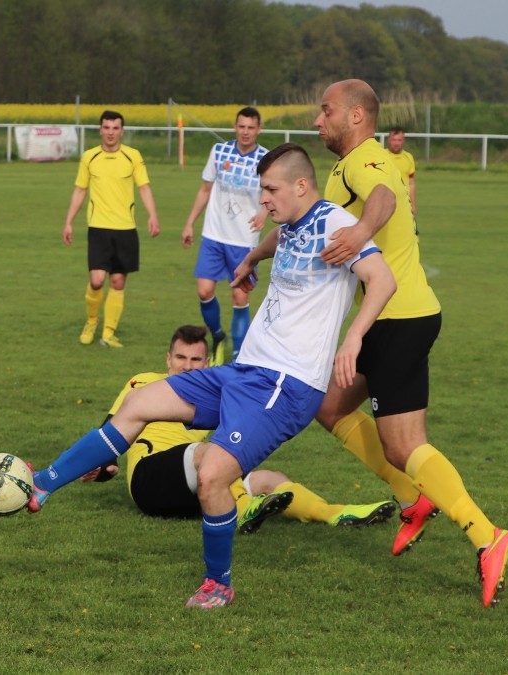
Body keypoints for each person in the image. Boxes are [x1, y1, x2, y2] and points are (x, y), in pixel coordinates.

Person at [27, 143, 397, 610]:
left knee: (213, 479)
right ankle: (43, 483)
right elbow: (276, 241)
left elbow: (383, 280)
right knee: (138, 405)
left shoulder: (337, 224)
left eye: (269, 189)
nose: (262, 200)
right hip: (243, 372)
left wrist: (354, 338)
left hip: (285, 386)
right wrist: (249, 262)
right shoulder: (290, 225)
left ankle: (217, 584)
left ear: (301, 185)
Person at [313, 78, 508, 608]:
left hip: (399, 317)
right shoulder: (342, 168)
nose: (318, 120)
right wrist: (253, 256)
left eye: (326, 110)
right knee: (329, 406)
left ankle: (487, 536)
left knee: (405, 445)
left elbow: (383, 199)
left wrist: (360, 234)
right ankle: (412, 499)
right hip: (384, 318)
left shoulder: (369, 161)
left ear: (356, 116)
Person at [80, 324, 397, 532]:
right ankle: (245, 509)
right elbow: (109, 440)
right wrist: (103, 470)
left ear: (206, 364)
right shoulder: (144, 383)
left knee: (272, 479)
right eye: (180, 358)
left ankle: (334, 513)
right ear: (167, 359)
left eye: (195, 360)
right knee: (210, 455)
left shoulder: (212, 393)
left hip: (196, 485)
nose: (186, 366)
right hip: (149, 481)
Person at [62, 110, 160, 349]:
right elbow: (80, 190)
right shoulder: (89, 157)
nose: (110, 132)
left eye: (115, 128)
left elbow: (144, 187)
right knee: (96, 280)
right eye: (106, 127)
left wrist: (153, 215)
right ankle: (92, 321)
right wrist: (68, 221)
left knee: (117, 282)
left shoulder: (132, 156)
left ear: (121, 131)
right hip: (98, 227)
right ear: (100, 129)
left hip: (126, 228)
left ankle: (108, 333)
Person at [181, 107, 268, 361]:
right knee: (204, 291)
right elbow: (204, 190)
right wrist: (189, 224)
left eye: (251, 127)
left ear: (259, 130)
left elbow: (271, 192)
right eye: (242, 126)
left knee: (240, 296)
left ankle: (239, 355)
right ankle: (218, 334)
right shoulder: (219, 152)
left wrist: (263, 214)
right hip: (214, 235)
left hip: (244, 241)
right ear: (235, 127)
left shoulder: (266, 159)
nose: (246, 132)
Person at [387, 126, 417, 218]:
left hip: (404, 204)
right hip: (386, 203)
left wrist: (413, 205)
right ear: (389, 140)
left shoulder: (409, 158)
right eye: (394, 140)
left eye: (399, 140)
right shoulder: (382, 156)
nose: (396, 143)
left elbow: (411, 183)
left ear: (403, 141)